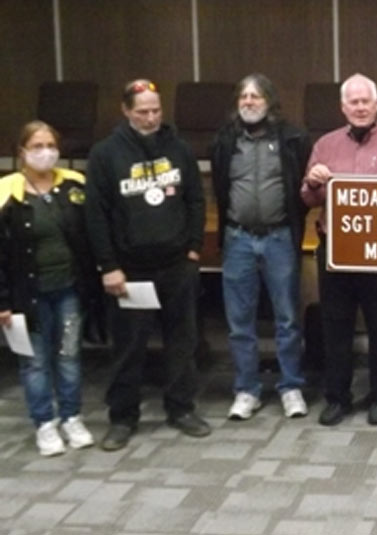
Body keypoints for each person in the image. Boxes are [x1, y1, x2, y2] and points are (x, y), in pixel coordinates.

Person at [85, 79, 209, 451]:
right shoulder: (106, 154)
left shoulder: (179, 149)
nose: (151, 117)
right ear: (126, 111)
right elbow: (96, 215)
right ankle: (122, 417)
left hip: (176, 265)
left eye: (156, 110)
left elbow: (195, 201)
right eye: (143, 112)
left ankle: (181, 408)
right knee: (128, 347)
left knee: (182, 343)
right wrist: (108, 266)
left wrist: (193, 248)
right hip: (129, 269)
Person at [301, 73, 377, 427]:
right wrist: (313, 181)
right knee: (336, 327)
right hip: (335, 250)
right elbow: (307, 198)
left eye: (366, 101)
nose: (361, 107)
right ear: (343, 107)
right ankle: (337, 398)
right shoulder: (325, 145)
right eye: (354, 101)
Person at [210, 74, 312, 421]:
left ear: (269, 101)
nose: (249, 102)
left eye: (256, 96)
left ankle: (291, 386)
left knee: (286, 318)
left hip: (279, 237)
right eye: (244, 97)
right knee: (240, 321)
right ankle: (246, 389)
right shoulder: (225, 141)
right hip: (238, 238)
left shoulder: (292, 138)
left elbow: (300, 191)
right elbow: (221, 191)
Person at [0, 122, 99, 456]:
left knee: (69, 356)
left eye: (50, 145)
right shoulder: (6, 193)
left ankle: (71, 416)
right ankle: (45, 423)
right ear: (22, 152)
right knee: (35, 362)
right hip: (26, 297)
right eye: (37, 146)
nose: (45, 152)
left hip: (68, 290)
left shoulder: (73, 187)